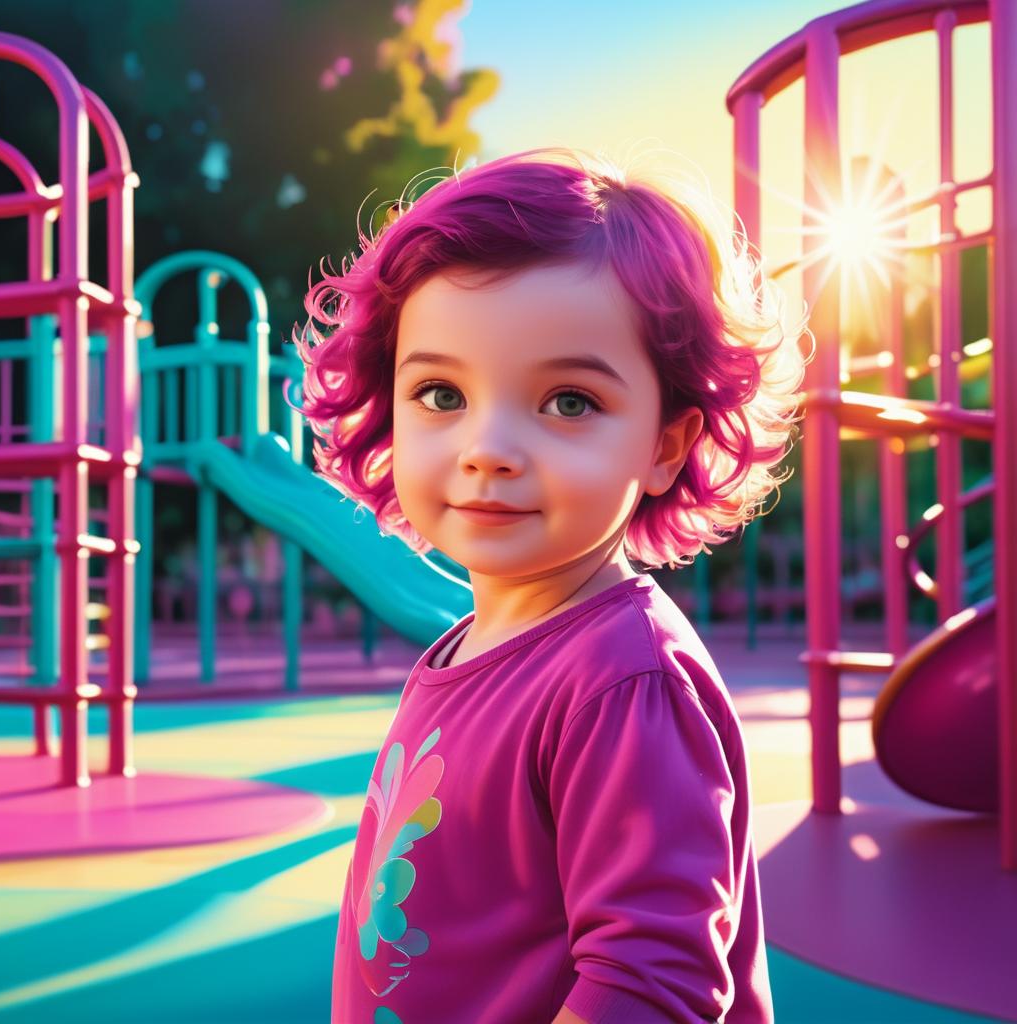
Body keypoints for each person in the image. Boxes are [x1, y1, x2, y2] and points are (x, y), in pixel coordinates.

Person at [292, 147, 810, 1024]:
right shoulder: (471, 648)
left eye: (568, 401)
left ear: (665, 446)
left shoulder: (624, 681)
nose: (486, 446)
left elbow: (650, 985)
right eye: (440, 393)